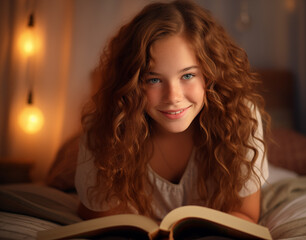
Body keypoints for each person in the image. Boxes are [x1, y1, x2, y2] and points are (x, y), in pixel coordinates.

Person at [75, 0, 270, 224]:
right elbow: (99, 216)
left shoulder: (241, 117)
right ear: (132, 83)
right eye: (154, 79)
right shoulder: (104, 126)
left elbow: (245, 213)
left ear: (211, 74)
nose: (173, 97)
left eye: (187, 75)